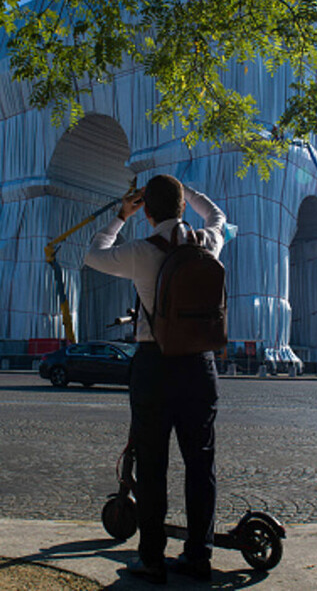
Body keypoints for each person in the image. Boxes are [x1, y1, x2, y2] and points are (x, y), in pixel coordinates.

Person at [84, 174, 226, 584]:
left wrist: (119, 216)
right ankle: (199, 555)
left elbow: (94, 254)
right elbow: (218, 215)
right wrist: (190, 192)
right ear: (183, 207)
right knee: (201, 464)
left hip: (154, 363)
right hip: (200, 364)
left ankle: (151, 559)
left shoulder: (141, 252)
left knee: (152, 464)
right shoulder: (207, 243)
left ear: (147, 211)